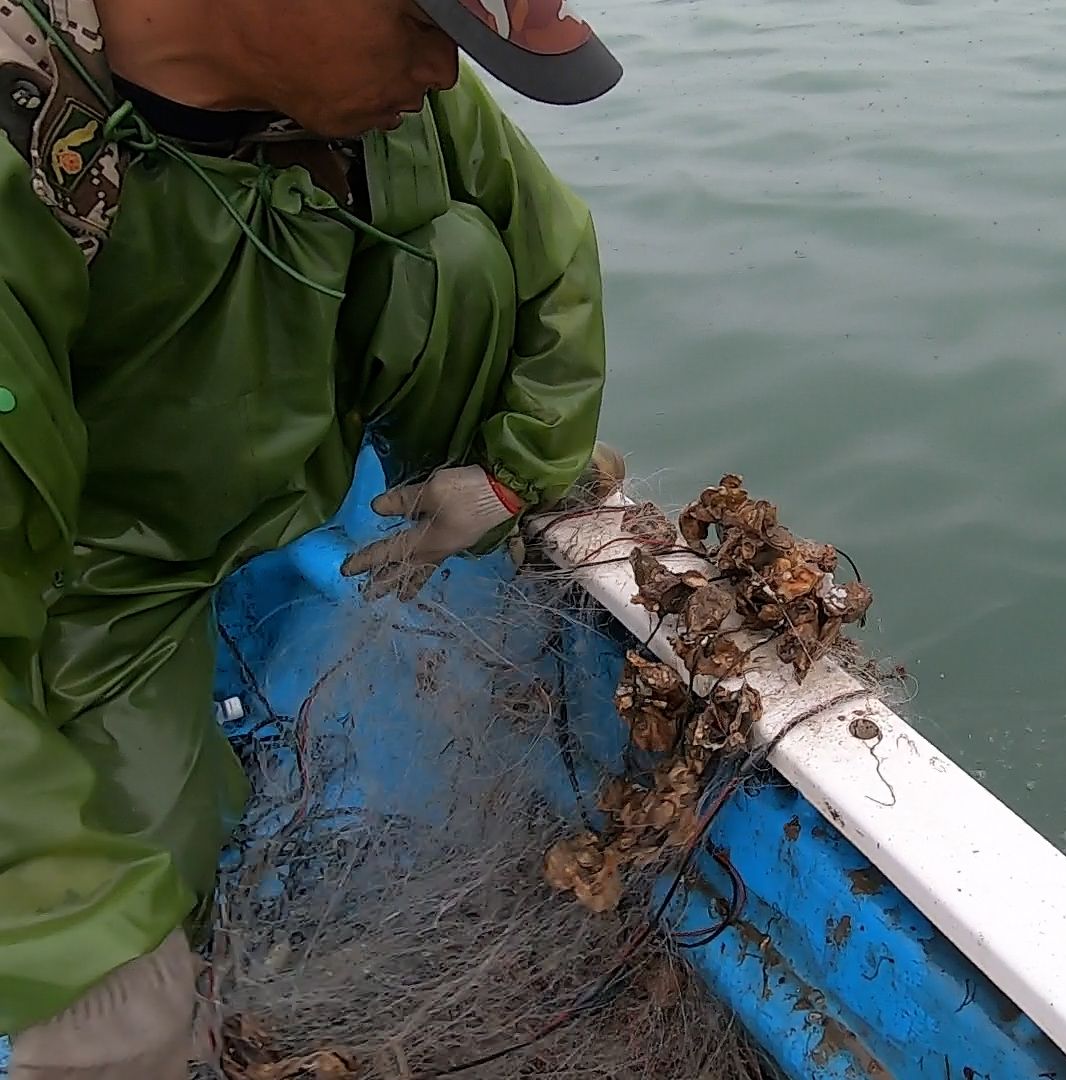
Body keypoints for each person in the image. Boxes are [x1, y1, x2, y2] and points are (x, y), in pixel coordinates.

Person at [0, 0, 626, 1074]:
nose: (441, 74)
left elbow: (553, 259)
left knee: (466, 251)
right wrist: (70, 935)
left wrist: (516, 476)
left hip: (294, 461)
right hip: (98, 565)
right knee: (136, 899)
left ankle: (388, 506)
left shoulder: (391, 95)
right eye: (425, 30)